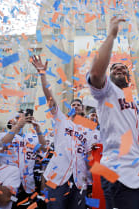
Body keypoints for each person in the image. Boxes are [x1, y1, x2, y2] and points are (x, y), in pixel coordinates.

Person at [87, 16, 139, 209]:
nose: (120, 68)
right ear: (109, 76)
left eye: (123, 68)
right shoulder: (106, 92)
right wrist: (111, 35)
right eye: (115, 68)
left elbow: (137, 135)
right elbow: (96, 74)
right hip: (117, 173)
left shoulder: (130, 99)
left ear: (129, 78)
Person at [31, 55, 95, 209]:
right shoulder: (61, 121)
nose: (76, 106)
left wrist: (92, 184)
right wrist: (42, 74)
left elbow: (92, 157)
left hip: (80, 182)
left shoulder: (90, 129)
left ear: (83, 109)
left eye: (79, 105)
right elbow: (50, 99)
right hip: (58, 177)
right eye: (73, 104)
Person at [0, 111, 46, 208]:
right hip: (6, 184)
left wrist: (38, 129)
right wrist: (17, 126)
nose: (21, 119)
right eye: (18, 117)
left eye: (23, 117)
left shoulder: (31, 137)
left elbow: (44, 148)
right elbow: (1, 146)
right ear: (10, 121)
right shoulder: (1, 136)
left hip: (27, 185)